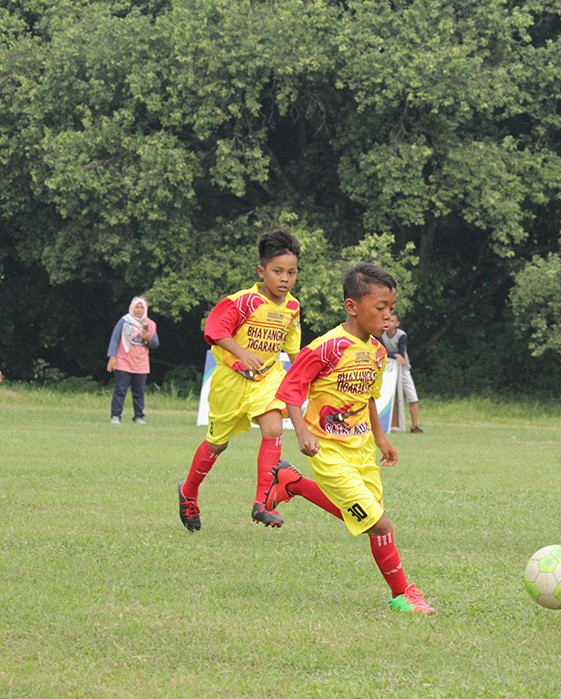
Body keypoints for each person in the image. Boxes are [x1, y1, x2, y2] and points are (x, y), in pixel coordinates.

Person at [267, 262, 434, 615]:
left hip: (361, 452)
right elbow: (291, 390)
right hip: (328, 451)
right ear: (352, 307)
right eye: (380, 308)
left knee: (361, 516)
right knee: (380, 524)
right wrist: (300, 432)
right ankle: (403, 594)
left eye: (391, 308)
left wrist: (381, 439)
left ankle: (291, 482)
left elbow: (368, 399)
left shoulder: (376, 352)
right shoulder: (325, 348)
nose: (388, 316)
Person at [177, 229, 303, 532]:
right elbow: (215, 330)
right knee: (217, 444)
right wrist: (241, 353)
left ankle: (260, 503)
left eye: (291, 272)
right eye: (277, 271)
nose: (284, 278)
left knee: (273, 426)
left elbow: (295, 352)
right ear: (262, 271)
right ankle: (188, 491)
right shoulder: (243, 301)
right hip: (231, 384)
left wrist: (307, 380)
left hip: (267, 379)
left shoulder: (292, 308)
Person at [106, 296, 159, 424]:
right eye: (137, 307)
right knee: (120, 389)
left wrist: (148, 338)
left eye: (142, 307)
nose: (139, 310)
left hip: (141, 363)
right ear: (132, 308)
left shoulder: (149, 324)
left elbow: (155, 344)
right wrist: (112, 356)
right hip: (123, 361)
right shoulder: (124, 321)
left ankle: (139, 416)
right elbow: (115, 338)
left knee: (139, 392)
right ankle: (116, 416)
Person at [380, 310, 423, 433]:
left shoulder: (401, 335)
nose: (389, 323)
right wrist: (394, 355)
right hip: (387, 368)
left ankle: (414, 426)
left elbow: (401, 353)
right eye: (387, 320)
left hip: (402, 368)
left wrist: (396, 356)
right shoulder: (381, 334)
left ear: (397, 324)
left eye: (392, 321)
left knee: (412, 396)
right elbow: (382, 350)